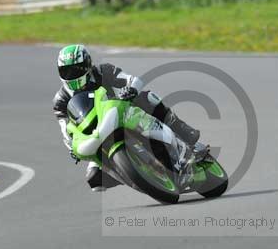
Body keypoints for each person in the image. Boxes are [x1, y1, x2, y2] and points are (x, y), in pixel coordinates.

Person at [52, 44, 200, 191]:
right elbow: (65, 129)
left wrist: (131, 89)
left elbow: (132, 80)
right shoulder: (60, 100)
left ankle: (180, 129)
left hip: (123, 112)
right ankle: (135, 174)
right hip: (96, 134)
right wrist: (71, 146)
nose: (72, 74)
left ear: (88, 64)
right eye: (66, 71)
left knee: (148, 98)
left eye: (77, 69)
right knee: (94, 178)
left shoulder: (103, 71)